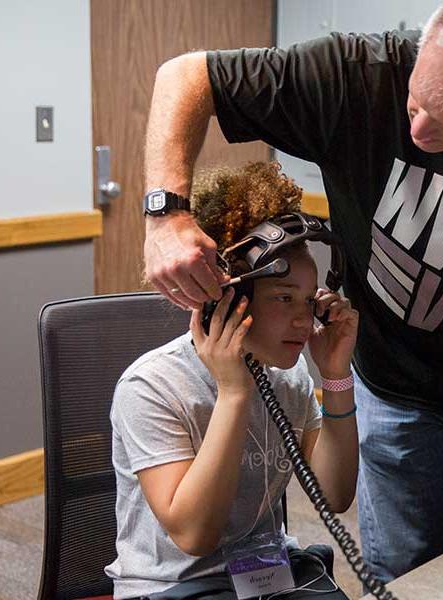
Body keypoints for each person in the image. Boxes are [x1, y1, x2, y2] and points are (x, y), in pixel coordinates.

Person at [142, 0, 443, 583]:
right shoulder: (357, 74)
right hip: (394, 381)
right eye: (416, 102)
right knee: (403, 573)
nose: (419, 130)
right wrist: (166, 214)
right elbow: (185, 74)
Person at [107, 162, 359, 599]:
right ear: (227, 299)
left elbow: (334, 495)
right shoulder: (150, 388)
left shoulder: (289, 374)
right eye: (283, 298)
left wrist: (336, 374)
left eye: (307, 299)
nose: (304, 319)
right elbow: (195, 535)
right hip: (172, 587)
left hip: (265, 577)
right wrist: (234, 391)